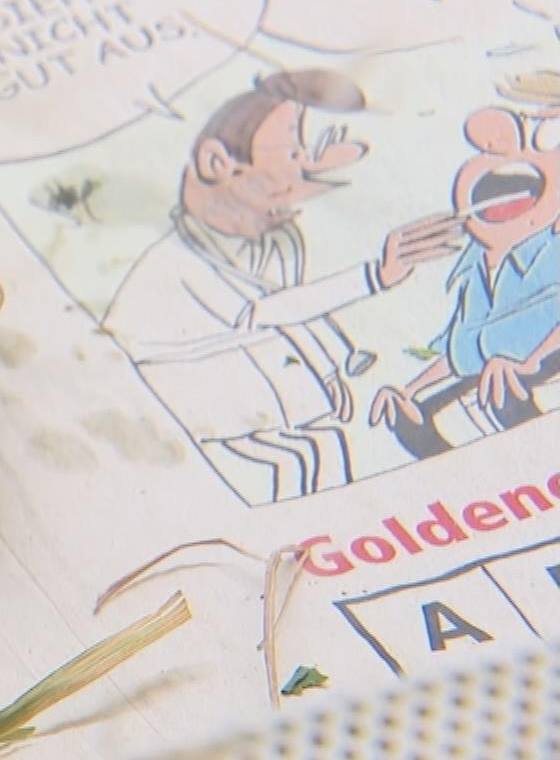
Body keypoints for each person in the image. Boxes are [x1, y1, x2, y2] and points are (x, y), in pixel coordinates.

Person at [103, 70, 464, 504]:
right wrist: (374, 275)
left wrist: (329, 371)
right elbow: (265, 311)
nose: (305, 166)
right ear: (218, 163)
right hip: (182, 383)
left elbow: (290, 314)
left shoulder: (278, 240)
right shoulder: (175, 263)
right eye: (292, 152)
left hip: (256, 370)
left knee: (326, 445)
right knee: (293, 459)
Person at [370, 105, 560, 455]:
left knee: (506, 396)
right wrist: (410, 392)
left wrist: (531, 360)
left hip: (544, 365)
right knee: (417, 419)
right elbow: (460, 348)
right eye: (488, 212)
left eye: (512, 208)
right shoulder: (477, 273)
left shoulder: (550, 249)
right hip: (496, 374)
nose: (499, 218)